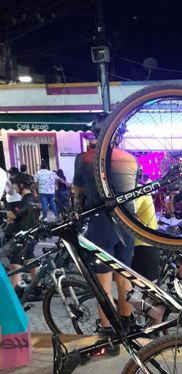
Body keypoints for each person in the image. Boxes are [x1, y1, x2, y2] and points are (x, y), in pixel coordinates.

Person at [73, 119, 139, 353]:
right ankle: (127, 327)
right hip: (128, 224)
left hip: (100, 224)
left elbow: (77, 190)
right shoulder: (131, 159)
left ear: (95, 135)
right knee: (124, 279)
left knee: (103, 285)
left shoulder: (84, 159)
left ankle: (109, 335)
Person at [5, 173, 40, 292]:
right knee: (30, 260)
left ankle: (16, 293)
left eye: (15, 185)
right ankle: (37, 287)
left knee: (14, 265)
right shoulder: (32, 198)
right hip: (30, 235)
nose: (14, 187)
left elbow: (13, 214)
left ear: (21, 185)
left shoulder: (27, 200)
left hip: (22, 237)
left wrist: (5, 211)